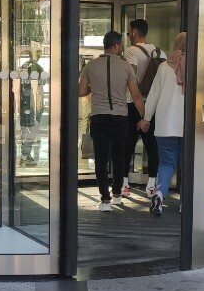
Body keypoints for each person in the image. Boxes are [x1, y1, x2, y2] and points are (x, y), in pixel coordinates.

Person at [78, 30, 146, 211]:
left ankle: (105, 200)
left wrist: (94, 87)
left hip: (99, 117)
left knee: (101, 159)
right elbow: (136, 96)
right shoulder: (126, 67)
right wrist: (144, 117)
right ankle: (117, 195)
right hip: (120, 118)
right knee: (118, 157)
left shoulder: (90, 66)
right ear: (116, 45)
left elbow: (81, 91)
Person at [139, 31, 186, 218]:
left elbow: (153, 95)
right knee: (187, 165)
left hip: (165, 125)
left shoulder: (164, 66)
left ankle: (159, 194)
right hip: (188, 127)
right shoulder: (195, 66)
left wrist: (146, 118)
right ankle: (185, 203)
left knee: (166, 163)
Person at [121, 18, 164, 198]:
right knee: (152, 146)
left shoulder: (132, 51)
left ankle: (124, 184)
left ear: (135, 32)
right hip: (152, 105)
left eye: (129, 32)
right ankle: (152, 184)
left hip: (132, 103)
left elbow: (128, 76)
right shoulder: (160, 52)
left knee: (128, 144)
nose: (129, 35)